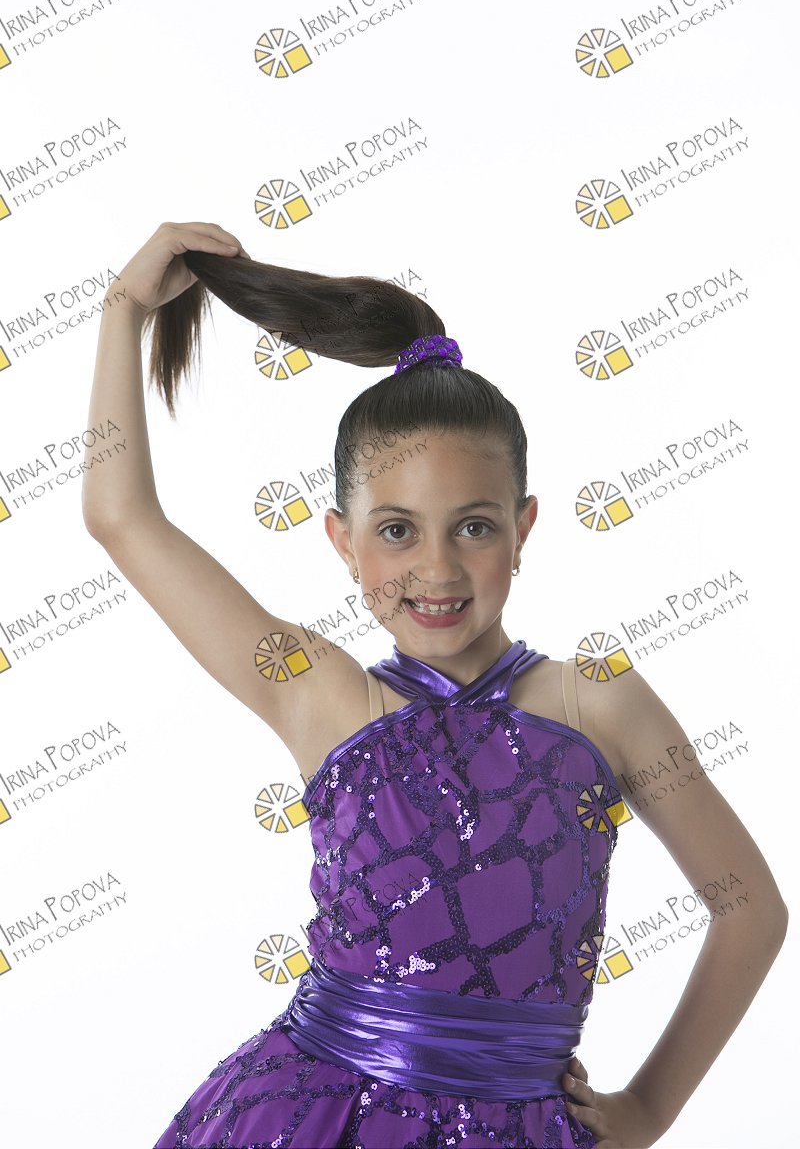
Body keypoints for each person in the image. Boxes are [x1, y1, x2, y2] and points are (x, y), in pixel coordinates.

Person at [83, 222, 787, 1149]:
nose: (438, 569)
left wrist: (648, 1110)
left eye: (475, 527)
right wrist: (123, 311)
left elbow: (750, 908)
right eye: (397, 531)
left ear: (524, 528)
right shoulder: (320, 695)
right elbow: (122, 518)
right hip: (314, 1116)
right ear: (342, 541)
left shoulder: (601, 704)